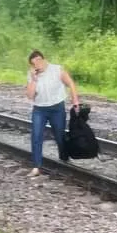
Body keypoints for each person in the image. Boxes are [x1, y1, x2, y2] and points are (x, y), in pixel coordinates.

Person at [25, 49, 80, 177]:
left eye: (38, 60)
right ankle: (36, 166)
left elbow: (70, 83)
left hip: (57, 108)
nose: (37, 64)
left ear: (44, 59)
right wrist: (33, 80)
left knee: (59, 135)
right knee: (36, 136)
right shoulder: (32, 75)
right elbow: (30, 95)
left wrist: (75, 100)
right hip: (39, 109)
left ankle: (64, 156)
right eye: (34, 63)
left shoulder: (56, 70)